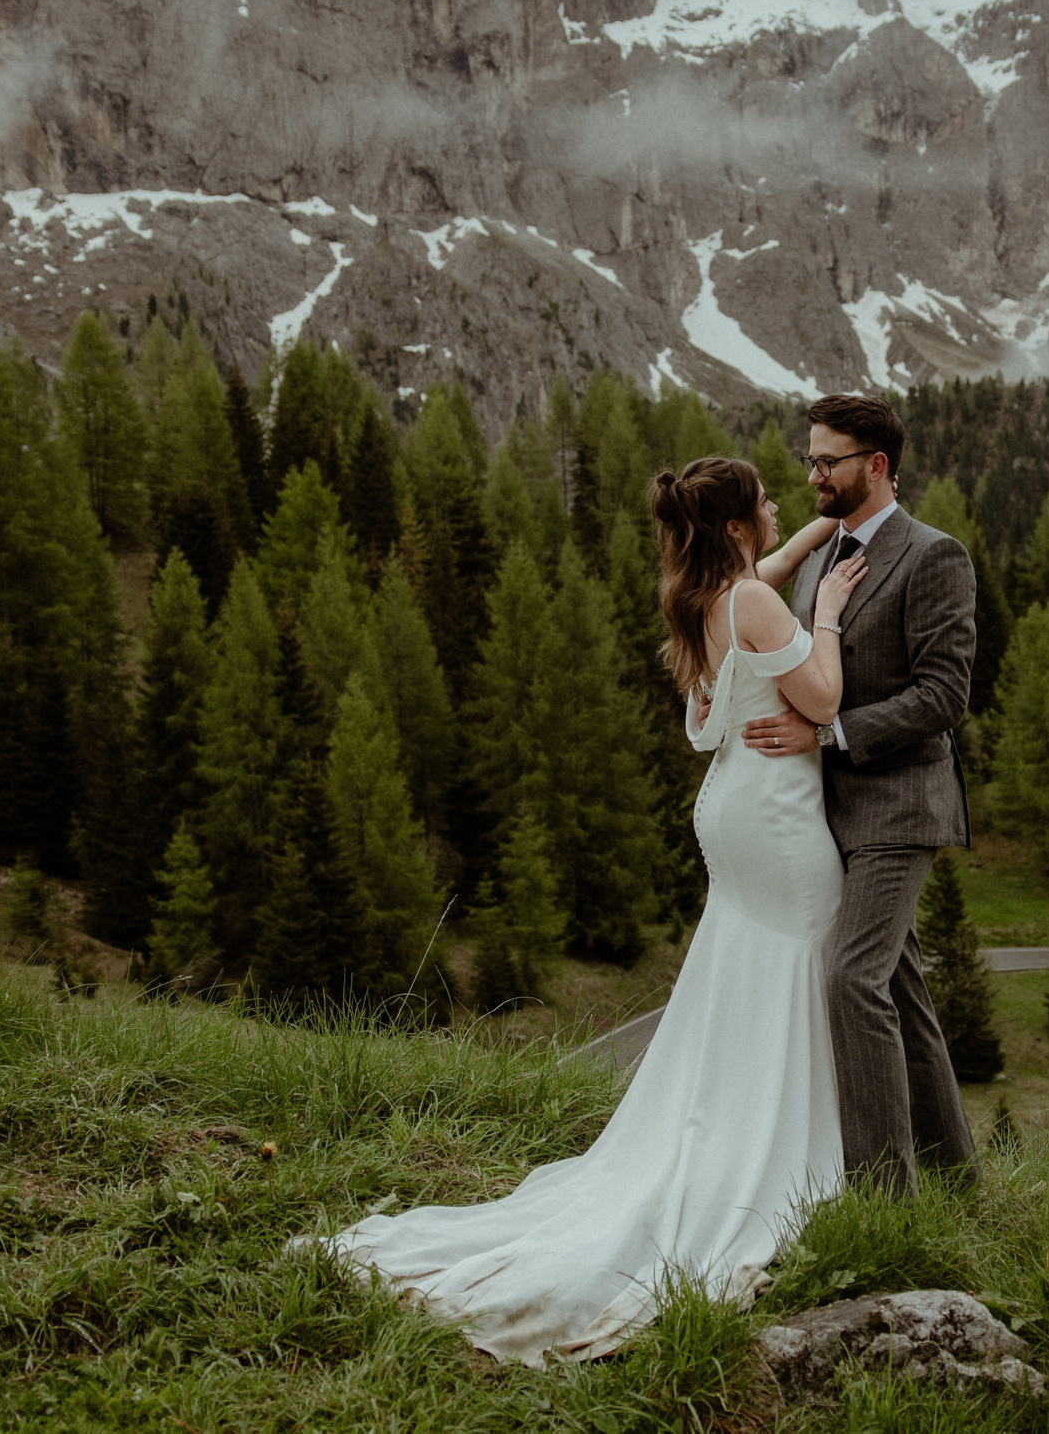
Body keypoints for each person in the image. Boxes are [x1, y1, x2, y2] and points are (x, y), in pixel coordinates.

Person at [295, 456, 861, 1365]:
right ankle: (782, 1152)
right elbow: (824, 697)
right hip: (779, 820)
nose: (779, 506)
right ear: (733, 525)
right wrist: (828, 615)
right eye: (765, 500)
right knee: (803, 962)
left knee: (747, 969)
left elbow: (773, 565)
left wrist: (819, 537)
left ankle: (743, 1126)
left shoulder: (702, 591)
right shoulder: (754, 603)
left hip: (732, 812)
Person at [743, 393, 979, 1196]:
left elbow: (944, 696)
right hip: (828, 813)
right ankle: (955, 1178)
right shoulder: (818, 555)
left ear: (875, 467)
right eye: (809, 460)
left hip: (903, 805)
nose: (813, 474)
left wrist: (830, 733)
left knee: (850, 977)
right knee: (899, 989)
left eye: (827, 461)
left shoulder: (935, 556)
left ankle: (887, 1200)